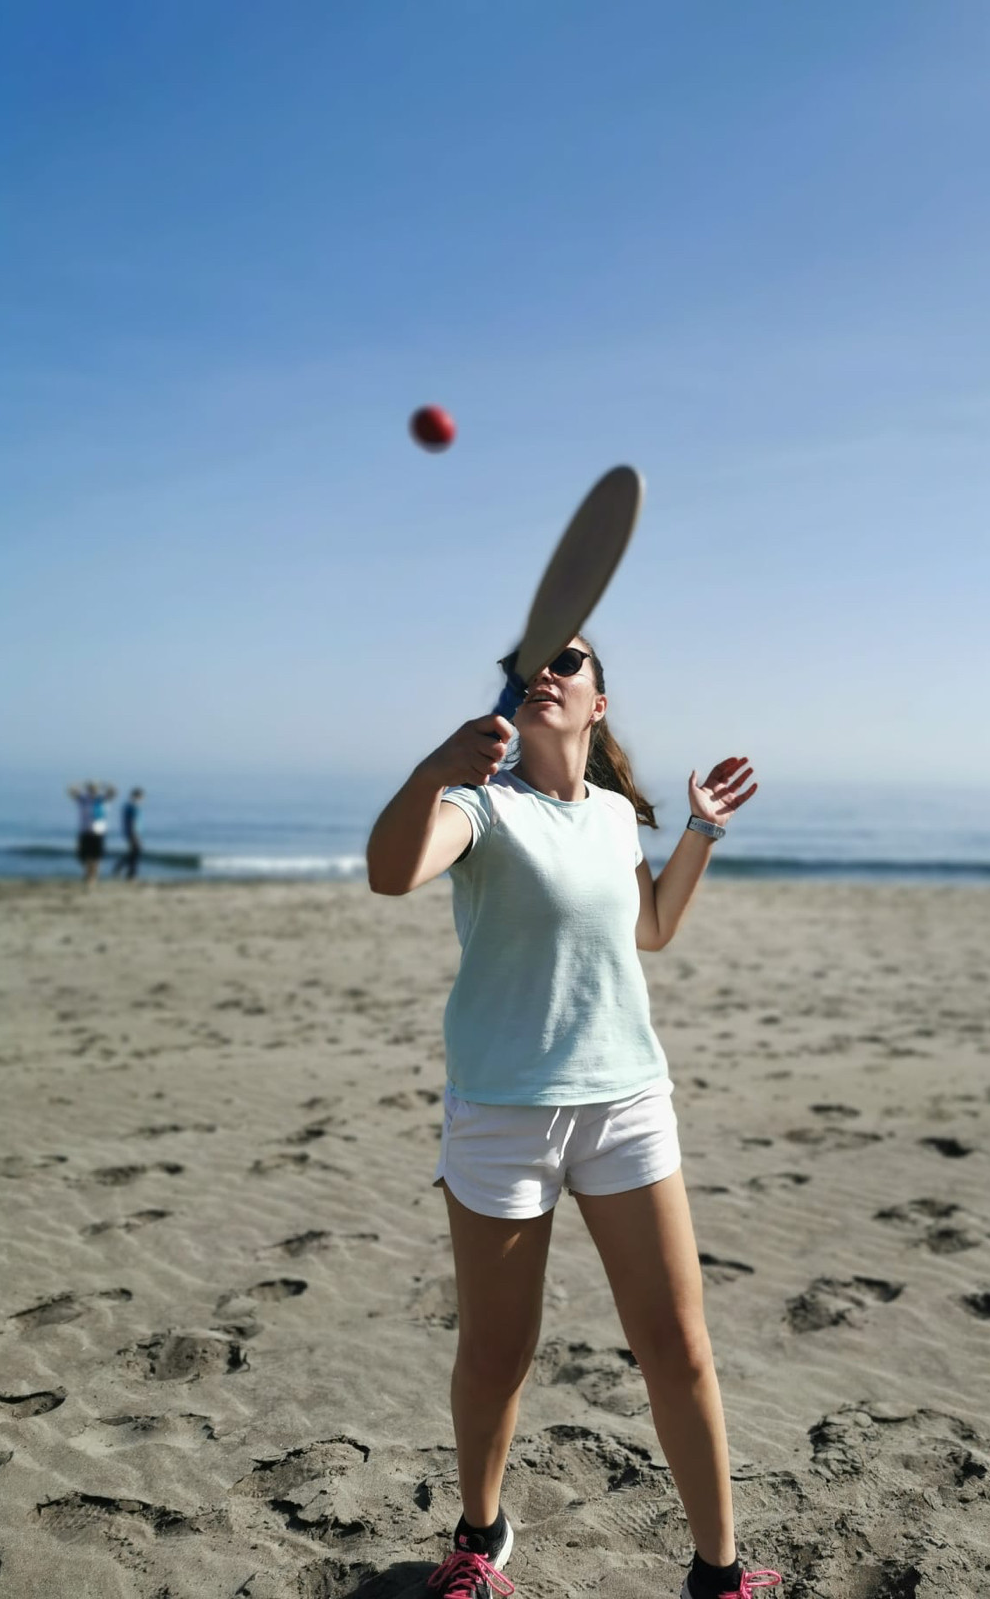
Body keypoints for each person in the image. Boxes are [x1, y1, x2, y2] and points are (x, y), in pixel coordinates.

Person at [366, 636, 778, 1599]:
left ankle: (718, 1575)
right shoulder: (480, 806)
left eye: (569, 661)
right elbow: (390, 873)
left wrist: (700, 830)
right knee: (498, 1354)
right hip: (503, 1117)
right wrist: (433, 771)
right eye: (530, 664)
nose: (544, 671)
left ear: (599, 704)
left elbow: (651, 930)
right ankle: (480, 1536)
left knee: (678, 1347)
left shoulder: (614, 817)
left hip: (627, 1106)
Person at [67, 780, 117, 887]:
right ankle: (88, 874)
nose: (93, 791)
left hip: (98, 832)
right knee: (84, 856)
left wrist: (104, 784)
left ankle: (93, 877)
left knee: (96, 857)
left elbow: (113, 792)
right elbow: (70, 791)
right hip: (85, 831)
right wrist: (81, 784)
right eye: (91, 789)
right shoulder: (83, 799)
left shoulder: (102, 800)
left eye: (94, 789)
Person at [111, 788, 145, 880]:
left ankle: (127, 871)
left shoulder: (128, 806)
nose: (142, 799)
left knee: (133, 853)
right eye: (141, 797)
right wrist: (136, 836)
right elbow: (133, 823)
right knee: (136, 853)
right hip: (133, 833)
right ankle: (130, 873)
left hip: (129, 833)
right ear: (137, 796)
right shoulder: (133, 806)